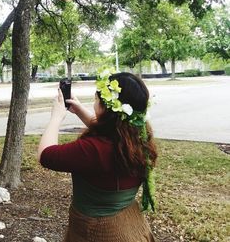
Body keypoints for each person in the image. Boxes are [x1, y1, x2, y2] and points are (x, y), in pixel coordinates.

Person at [37, 68, 157, 242]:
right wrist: (79, 110)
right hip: (131, 224)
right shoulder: (139, 138)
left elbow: (45, 155)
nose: (94, 104)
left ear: (105, 107)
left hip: (98, 231)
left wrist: (56, 117)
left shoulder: (94, 150)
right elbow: (110, 132)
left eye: (95, 100)